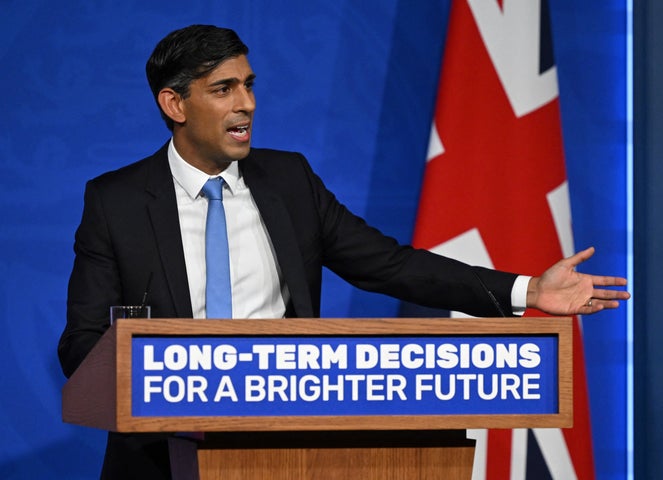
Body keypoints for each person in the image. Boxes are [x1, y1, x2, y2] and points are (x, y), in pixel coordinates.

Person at [58, 24, 629, 479]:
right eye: (223, 89)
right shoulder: (118, 201)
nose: (247, 104)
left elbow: (390, 264)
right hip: (162, 460)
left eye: (250, 85)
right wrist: (152, 380)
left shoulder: (288, 179)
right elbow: (82, 340)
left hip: (289, 450)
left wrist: (528, 289)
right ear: (175, 104)